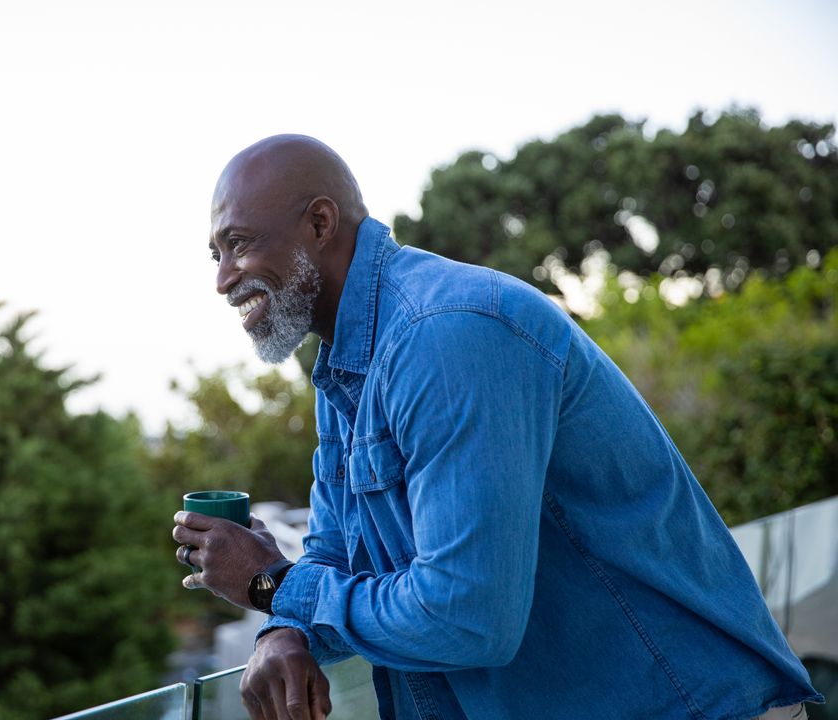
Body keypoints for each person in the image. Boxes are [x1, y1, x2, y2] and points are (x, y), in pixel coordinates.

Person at [171, 134, 823, 720]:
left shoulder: (445, 336)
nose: (224, 277)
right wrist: (283, 627)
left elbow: (468, 617)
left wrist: (271, 584)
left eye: (239, 243)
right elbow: (340, 554)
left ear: (319, 222)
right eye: (215, 254)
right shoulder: (346, 365)